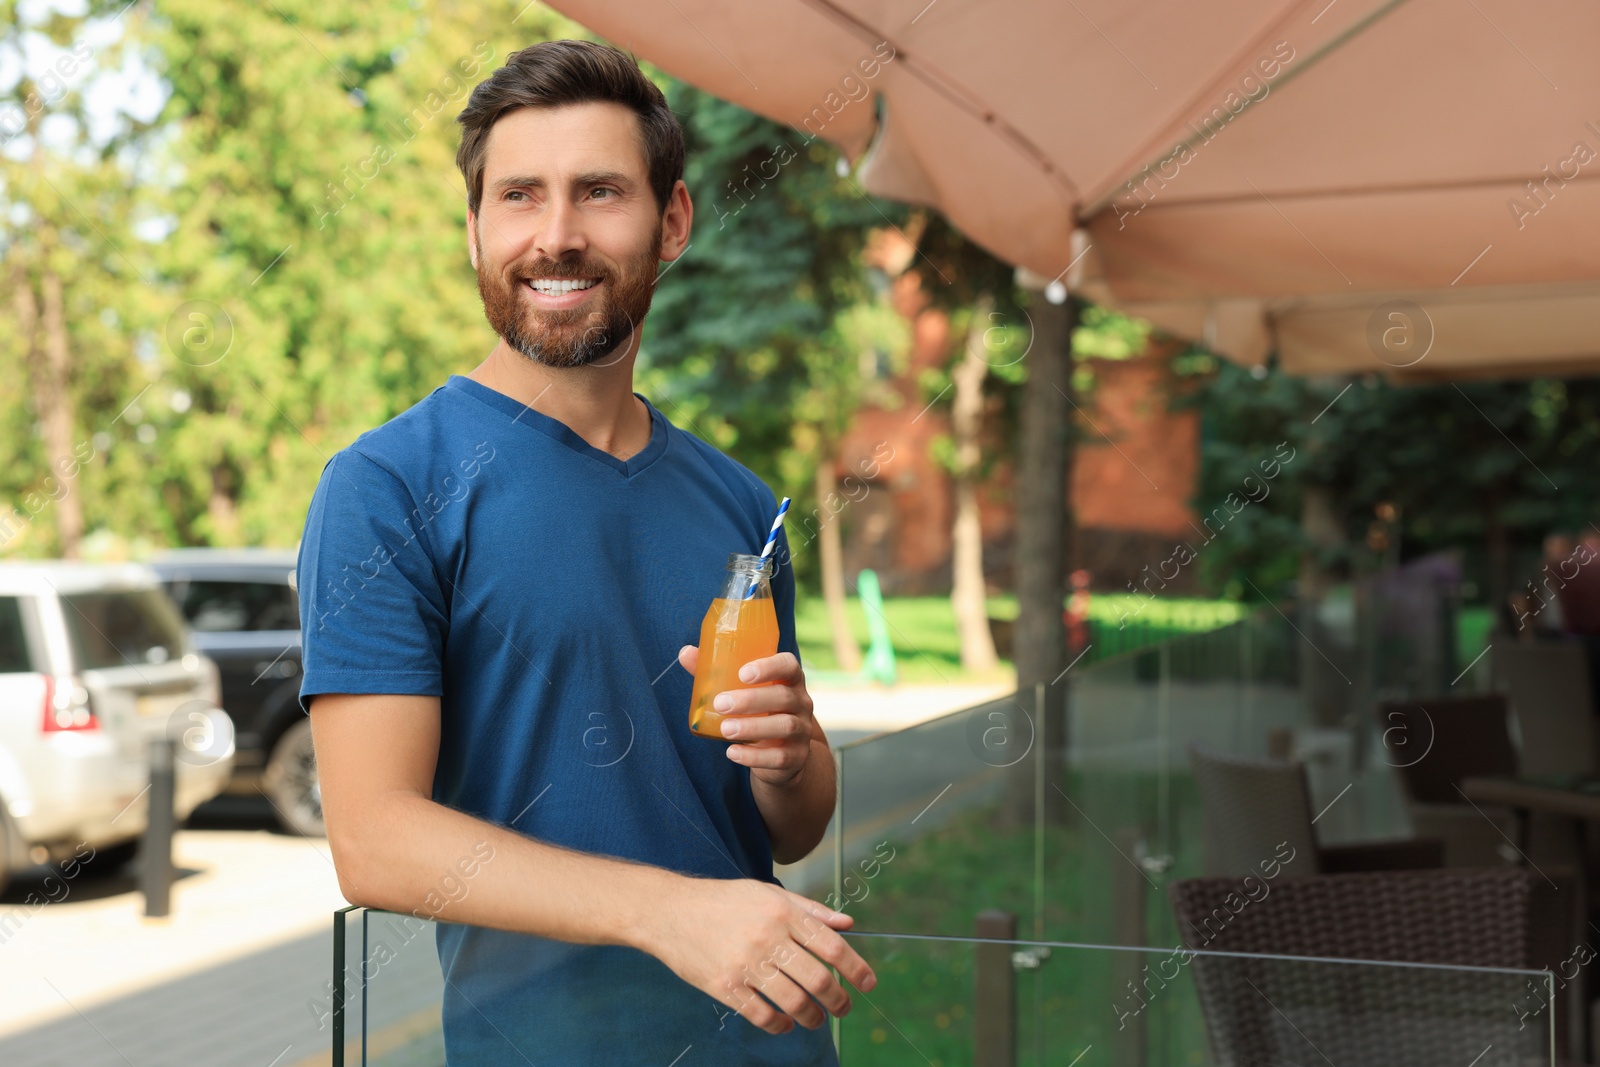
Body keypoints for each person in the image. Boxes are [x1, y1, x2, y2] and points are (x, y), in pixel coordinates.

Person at [297, 40, 873, 1065]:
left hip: (772, 1043)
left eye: (600, 192)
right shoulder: (386, 487)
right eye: (519, 196)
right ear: (474, 229)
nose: (554, 236)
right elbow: (374, 839)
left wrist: (790, 758)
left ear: (673, 221)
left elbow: (791, 827)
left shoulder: (741, 502)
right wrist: (671, 912)